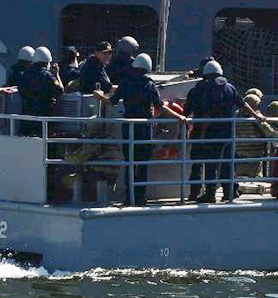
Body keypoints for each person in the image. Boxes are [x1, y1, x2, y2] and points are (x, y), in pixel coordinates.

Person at [95, 52, 187, 206]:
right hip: (145, 129)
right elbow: (160, 107)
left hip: (129, 128)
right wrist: (179, 117)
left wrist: (99, 96)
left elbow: (111, 102)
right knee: (142, 164)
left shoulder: (125, 82)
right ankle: (140, 197)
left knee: (130, 163)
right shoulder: (150, 85)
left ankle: (128, 197)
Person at [180, 59, 266, 204]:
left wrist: (201, 134)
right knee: (227, 164)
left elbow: (205, 113)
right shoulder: (230, 88)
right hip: (228, 134)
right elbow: (243, 103)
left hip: (211, 134)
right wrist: (257, 116)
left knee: (209, 165)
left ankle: (209, 194)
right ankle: (229, 192)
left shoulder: (205, 89)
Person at [17, 46, 63, 136]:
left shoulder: (23, 75)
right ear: (47, 62)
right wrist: (56, 74)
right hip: (44, 115)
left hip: (27, 115)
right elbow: (59, 90)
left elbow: (21, 91)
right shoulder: (47, 75)